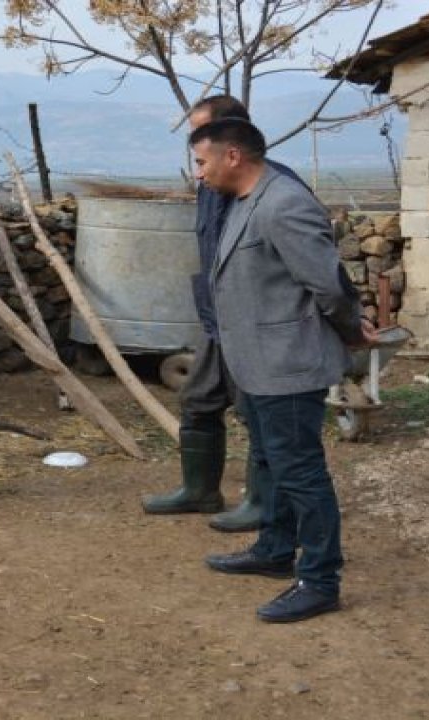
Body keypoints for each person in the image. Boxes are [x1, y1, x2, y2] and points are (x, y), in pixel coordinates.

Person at [189, 118, 377, 623]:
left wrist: (353, 330)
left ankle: (319, 579)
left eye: (202, 161)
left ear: (232, 156)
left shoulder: (284, 202)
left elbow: (329, 285)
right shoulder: (244, 202)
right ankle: (275, 549)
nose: (198, 174)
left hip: (288, 361)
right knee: (273, 460)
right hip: (256, 360)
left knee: (301, 472)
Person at [142, 96, 305, 533]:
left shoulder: (274, 189)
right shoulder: (209, 186)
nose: (195, 150)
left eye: (201, 133)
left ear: (229, 137)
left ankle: (261, 502)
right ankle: (200, 491)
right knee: (197, 400)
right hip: (219, 319)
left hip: (256, 323)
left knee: (256, 412)